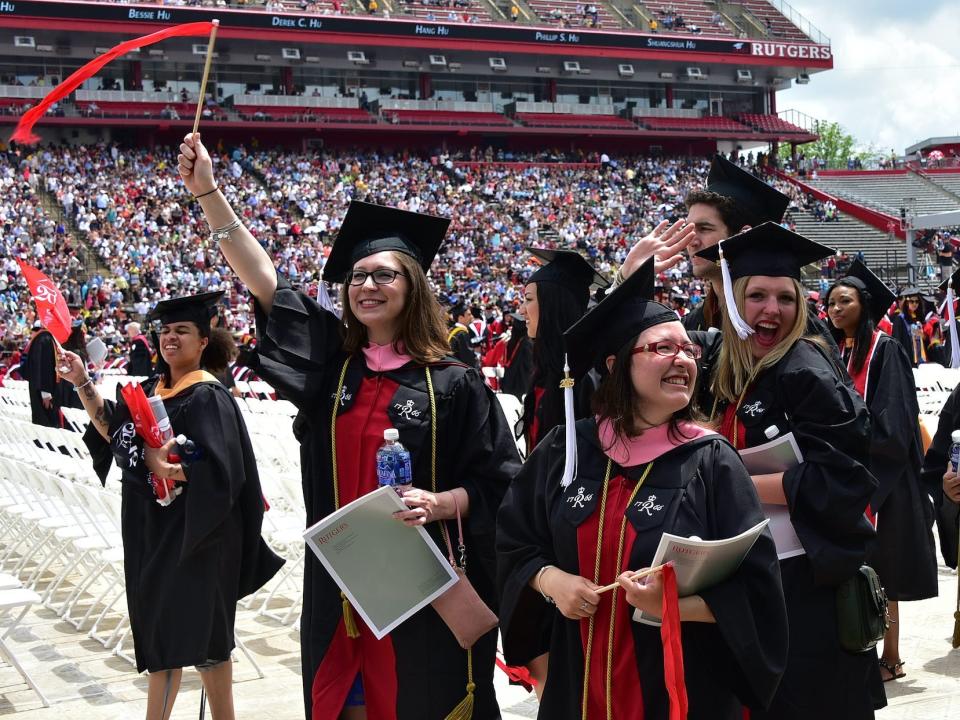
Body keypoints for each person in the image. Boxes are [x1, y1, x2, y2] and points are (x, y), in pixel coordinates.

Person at [178, 132, 521, 720]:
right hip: (342, 578)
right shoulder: (332, 368)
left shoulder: (456, 384)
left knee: (415, 698)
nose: (367, 285)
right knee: (347, 703)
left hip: (421, 580)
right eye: (358, 275)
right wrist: (209, 191)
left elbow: (502, 485)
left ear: (413, 285)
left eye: (384, 274)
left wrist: (442, 503)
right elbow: (265, 281)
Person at [497, 260, 788, 719]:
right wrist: (553, 581)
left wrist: (674, 604)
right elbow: (514, 541)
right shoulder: (570, 450)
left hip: (679, 688)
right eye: (663, 348)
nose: (683, 359)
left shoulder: (711, 461)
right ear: (616, 365)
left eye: (689, 350)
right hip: (579, 684)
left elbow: (758, 590)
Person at [57, 291, 284, 720]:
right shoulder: (148, 389)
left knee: (209, 643)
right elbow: (113, 431)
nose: (170, 338)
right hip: (150, 529)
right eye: (164, 331)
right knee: (161, 640)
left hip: (199, 533)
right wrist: (82, 382)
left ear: (203, 341)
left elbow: (223, 471)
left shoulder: (209, 396)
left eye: (182, 331)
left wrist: (168, 467)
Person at [696, 223, 885, 718]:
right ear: (734, 301)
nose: (771, 310)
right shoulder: (733, 368)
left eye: (785, 297)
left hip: (808, 591)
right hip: (758, 579)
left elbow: (842, 482)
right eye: (756, 295)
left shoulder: (806, 370)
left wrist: (731, 482)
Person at [825, 260, 938, 683]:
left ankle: (890, 657)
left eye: (845, 301)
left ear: (864, 304)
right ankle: (859, 647)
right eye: (831, 303)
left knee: (884, 572)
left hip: (882, 479)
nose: (835, 309)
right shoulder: (837, 351)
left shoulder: (885, 349)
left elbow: (894, 423)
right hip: (847, 474)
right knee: (855, 569)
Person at [518, 248, 609, 452]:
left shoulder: (586, 378)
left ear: (553, 303)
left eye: (529, 299)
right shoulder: (545, 367)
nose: (521, 310)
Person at [22, 320, 63, 427]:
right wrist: (46, 393)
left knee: (42, 422)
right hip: (44, 391)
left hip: (40, 388)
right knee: (46, 423)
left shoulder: (43, 339)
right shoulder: (44, 339)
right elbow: (43, 368)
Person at [891, 287, 930, 366]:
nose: (915, 304)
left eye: (917, 301)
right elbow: (897, 340)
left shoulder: (917, 318)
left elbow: (926, 339)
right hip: (907, 358)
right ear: (906, 303)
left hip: (919, 359)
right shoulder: (900, 319)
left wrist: (923, 336)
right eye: (912, 301)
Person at [448, 303, 479, 368]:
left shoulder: (452, 330)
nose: (472, 317)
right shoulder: (462, 334)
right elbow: (469, 360)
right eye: (469, 315)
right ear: (461, 318)